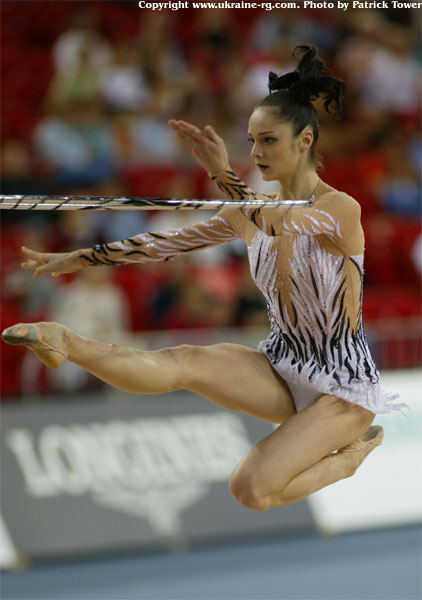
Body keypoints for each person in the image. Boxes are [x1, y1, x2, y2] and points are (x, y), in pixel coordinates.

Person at [2, 46, 405, 511]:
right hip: (282, 362)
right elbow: (164, 244)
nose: (256, 152)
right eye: (252, 141)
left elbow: (277, 224)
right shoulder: (246, 210)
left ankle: (348, 460)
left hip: (343, 387)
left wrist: (220, 173)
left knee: (250, 489)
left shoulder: (339, 209)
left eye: (268, 140)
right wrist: (78, 258)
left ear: (305, 140)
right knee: (184, 360)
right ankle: (65, 342)